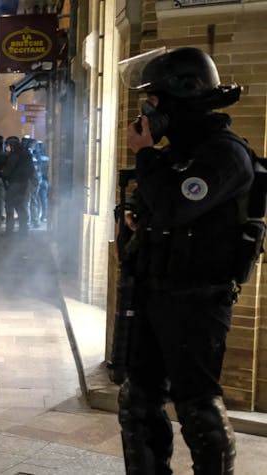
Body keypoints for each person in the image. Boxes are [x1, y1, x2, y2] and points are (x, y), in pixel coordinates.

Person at [118, 47, 252, 474]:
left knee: (198, 410)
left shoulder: (223, 154)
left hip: (197, 301)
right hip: (154, 293)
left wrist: (144, 154)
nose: (149, 110)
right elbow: (153, 205)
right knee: (137, 400)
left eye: (154, 100)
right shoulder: (176, 152)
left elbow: (176, 205)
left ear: (180, 97)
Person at [1, 136, 36, 235]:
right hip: (25, 183)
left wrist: (3, 174)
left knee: (9, 205)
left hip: (15, 183)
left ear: (12, 145)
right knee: (21, 206)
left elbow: (8, 170)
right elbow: (31, 169)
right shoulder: (27, 153)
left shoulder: (15, 155)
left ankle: (9, 230)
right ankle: (24, 230)